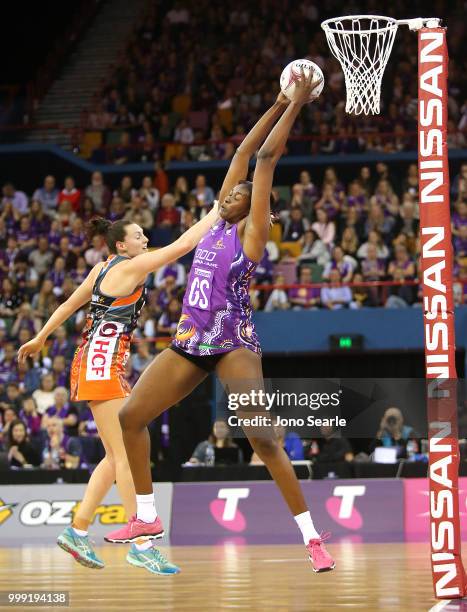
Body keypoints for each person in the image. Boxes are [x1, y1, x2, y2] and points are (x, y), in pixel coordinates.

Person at [119, 73, 335, 573]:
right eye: (231, 192)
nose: (229, 195)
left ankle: (311, 538)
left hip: (233, 342)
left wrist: (296, 105)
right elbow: (243, 154)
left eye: (239, 195)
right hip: (190, 338)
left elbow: (262, 161)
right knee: (132, 418)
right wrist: (275, 98)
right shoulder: (217, 219)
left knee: (262, 439)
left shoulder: (252, 235)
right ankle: (147, 518)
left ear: (260, 210)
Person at [18, 207, 219, 574]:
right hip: (99, 365)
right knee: (128, 453)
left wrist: (41, 336)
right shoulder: (130, 267)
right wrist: (218, 210)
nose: (145, 239)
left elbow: (67, 304)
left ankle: (77, 529)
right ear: (122, 245)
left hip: (94, 363)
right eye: (139, 235)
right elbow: (185, 243)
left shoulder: (102, 268)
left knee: (114, 458)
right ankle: (142, 542)